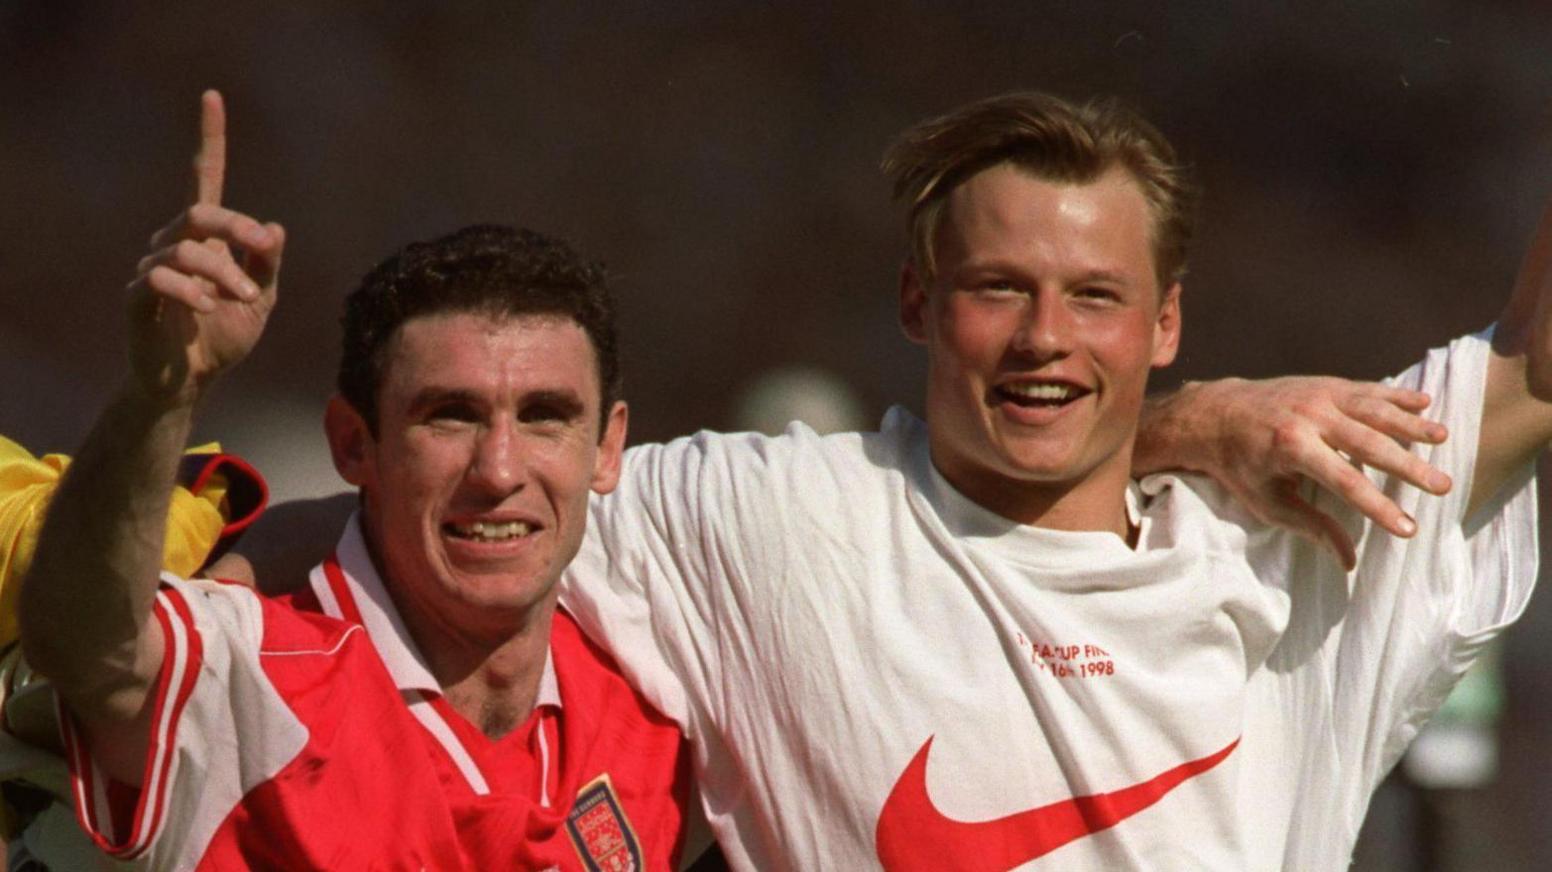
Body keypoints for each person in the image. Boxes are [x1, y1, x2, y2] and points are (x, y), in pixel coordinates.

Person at [552, 91, 1547, 869]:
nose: (1044, 336)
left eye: (1094, 296)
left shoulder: (1297, 532)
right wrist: (1179, 420)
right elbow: (488, 511)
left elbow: (1537, 370)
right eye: (999, 288)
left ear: (1166, 323)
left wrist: (1173, 426)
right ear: (917, 301)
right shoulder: (769, 520)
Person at [15, 92, 693, 870]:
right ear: (352, 443)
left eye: (545, 416)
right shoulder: (257, 675)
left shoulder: (660, 694)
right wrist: (160, 397)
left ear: (607, 447)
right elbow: (89, 649)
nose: (500, 470)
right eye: (450, 416)